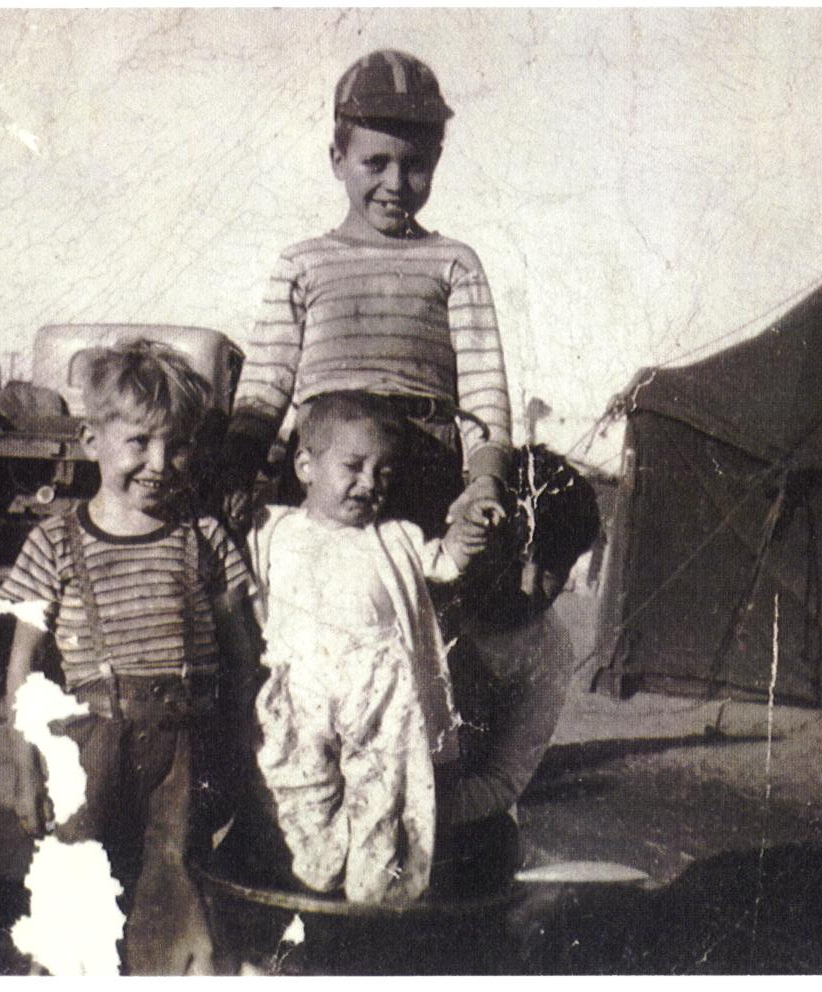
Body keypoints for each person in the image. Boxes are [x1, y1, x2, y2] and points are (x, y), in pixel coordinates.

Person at [0, 340, 256, 974]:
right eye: (140, 442)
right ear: (93, 440)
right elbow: (23, 672)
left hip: (185, 752)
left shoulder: (205, 538)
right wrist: (27, 774)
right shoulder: (53, 542)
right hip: (93, 750)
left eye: (178, 445)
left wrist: (244, 750)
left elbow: (245, 659)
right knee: (77, 899)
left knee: (176, 893)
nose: (160, 464)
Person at [222, 49, 512, 542]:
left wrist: (484, 483)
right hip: (325, 474)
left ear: (436, 161)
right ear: (338, 160)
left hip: (422, 474)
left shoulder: (454, 262)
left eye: (415, 165)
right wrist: (232, 474)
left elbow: (484, 393)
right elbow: (264, 387)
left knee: (417, 601)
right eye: (375, 163)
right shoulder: (304, 263)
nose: (396, 183)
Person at [245, 391, 487, 904]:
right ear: (306, 466)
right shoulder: (271, 528)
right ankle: (318, 871)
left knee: (385, 794)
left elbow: (443, 562)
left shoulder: (394, 536)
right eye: (353, 466)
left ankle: (373, 896)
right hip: (302, 691)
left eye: (383, 473)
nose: (369, 483)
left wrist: (465, 537)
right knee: (300, 787)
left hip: (379, 691)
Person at [431, 445, 602, 896]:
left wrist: (423, 810)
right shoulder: (426, 594)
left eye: (553, 569)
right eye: (518, 558)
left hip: (458, 824)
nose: (529, 584)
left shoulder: (546, 647)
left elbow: (504, 778)